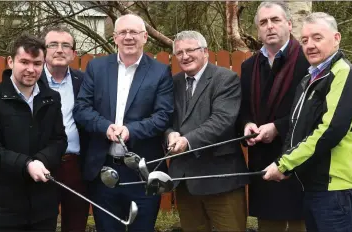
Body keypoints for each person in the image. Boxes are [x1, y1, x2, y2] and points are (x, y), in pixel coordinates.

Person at [263, 12, 352, 232]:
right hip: (313, 187)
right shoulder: (309, 79)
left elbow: (330, 131)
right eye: (304, 40)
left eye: (317, 38)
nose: (309, 45)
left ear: (337, 38)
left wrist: (284, 164)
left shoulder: (346, 75)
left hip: (338, 189)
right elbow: (298, 129)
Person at [73, 14, 174, 232]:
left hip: (142, 171)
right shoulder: (97, 68)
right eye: (123, 32)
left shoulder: (160, 71)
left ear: (145, 37)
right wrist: (104, 127)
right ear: (114, 38)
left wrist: (130, 130)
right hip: (103, 169)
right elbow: (81, 109)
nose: (128, 37)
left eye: (134, 32)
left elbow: (163, 115)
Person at [0, 34, 67, 231]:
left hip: (44, 205)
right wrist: (26, 164)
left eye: (37, 63)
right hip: (8, 206)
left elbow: (59, 139)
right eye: (24, 62)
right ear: (10, 61)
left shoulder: (52, 98)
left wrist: (41, 160)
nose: (31, 69)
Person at [166, 30, 249, 232]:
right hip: (185, 180)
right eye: (179, 52)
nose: (185, 56)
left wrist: (187, 140)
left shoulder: (225, 79)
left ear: (205, 52)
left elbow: (222, 121)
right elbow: (166, 118)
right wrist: (170, 133)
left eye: (190, 50)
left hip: (220, 179)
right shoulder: (173, 83)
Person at [239, 2, 309, 231]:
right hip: (263, 158)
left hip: (298, 158)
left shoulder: (307, 61)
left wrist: (277, 127)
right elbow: (244, 107)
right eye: (263, 22)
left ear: (289, 24)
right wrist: (247, 124)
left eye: (275, 20)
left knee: (301, 223)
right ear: (258, 31)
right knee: (268, 224)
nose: (269, 26)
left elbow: (313, 111)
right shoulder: (250, 66)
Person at [40, 25, 90, 232]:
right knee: (41, 223)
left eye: (65, 45)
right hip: (41, 165)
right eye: (53, 45)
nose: (59, 50)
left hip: (75, 166)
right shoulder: (31, 79)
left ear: (73, 53)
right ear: (43, 51)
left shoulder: (84, 81)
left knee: (76, 224)